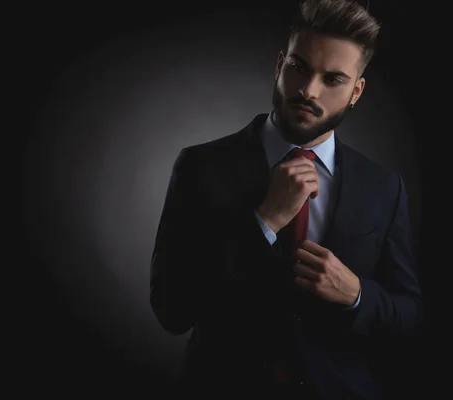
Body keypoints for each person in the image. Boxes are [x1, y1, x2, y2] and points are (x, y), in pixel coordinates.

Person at [150, 0, 423, 398]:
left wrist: (358, 295)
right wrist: (264, 221)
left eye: (333, 80)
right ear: (280, 64)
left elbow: (410, 315)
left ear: (356, 92)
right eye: (299, 67)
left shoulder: (384, 187)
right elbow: (172, 309)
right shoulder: (199, 167)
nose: (308, 90)